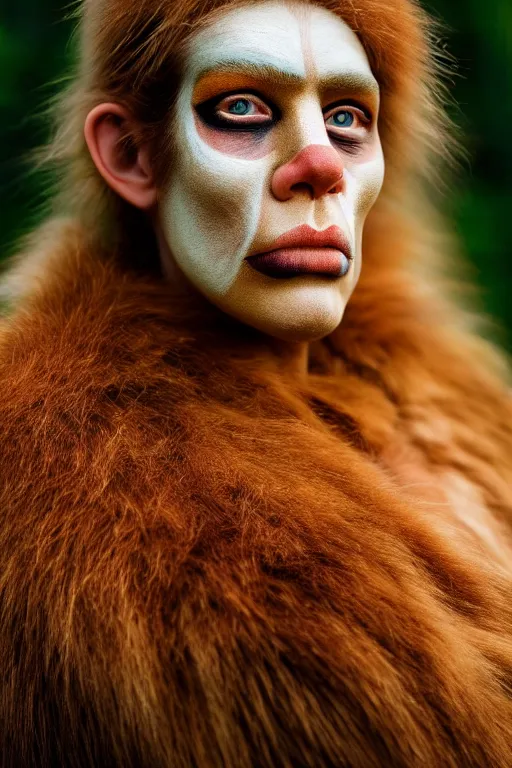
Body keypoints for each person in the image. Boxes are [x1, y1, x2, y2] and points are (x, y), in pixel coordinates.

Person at [1, 0, 512, 765]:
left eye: (347, 116)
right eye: (241, 108)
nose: (319, 164)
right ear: (133, 157)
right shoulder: (47, 490)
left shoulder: (461, 412)